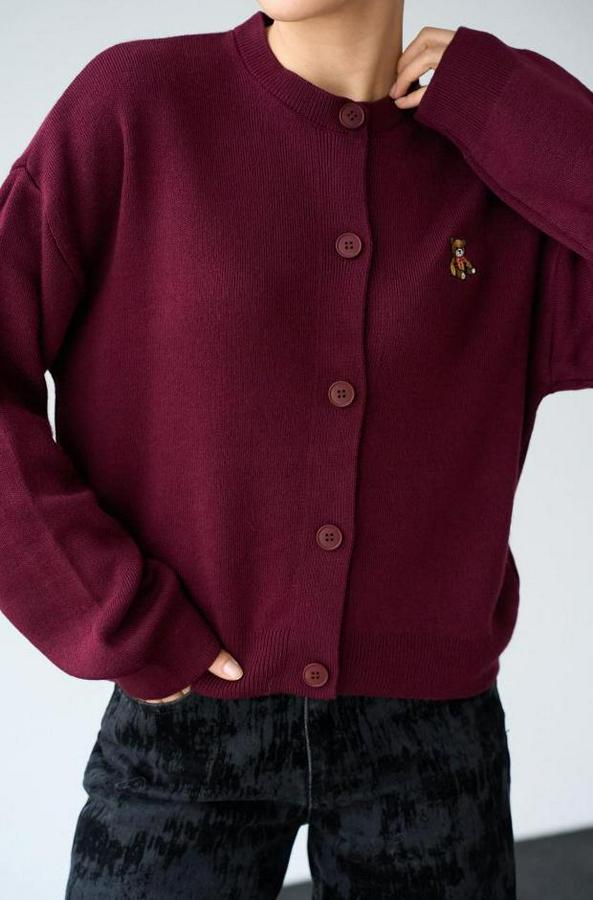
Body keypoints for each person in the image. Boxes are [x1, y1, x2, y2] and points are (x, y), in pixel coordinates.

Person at [1, 0, 591, 896]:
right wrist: (109, 611)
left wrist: (506, 97)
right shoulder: (136, 106)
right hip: (186, 730)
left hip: (432, 746)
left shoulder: (492, 156)